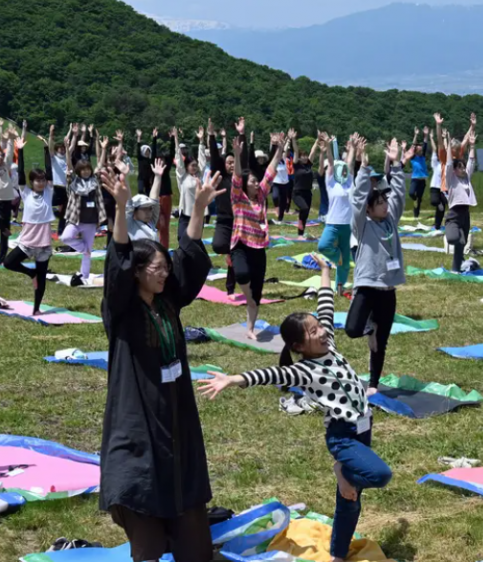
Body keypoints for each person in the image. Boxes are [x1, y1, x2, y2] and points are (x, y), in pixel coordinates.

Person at [197, 256, 392, 562]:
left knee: (350, 499)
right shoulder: (304, 370)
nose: (322, 332)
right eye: (314, 332)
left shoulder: (329, 344)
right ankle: (341, 470)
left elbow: (326, 306)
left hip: (363, 429)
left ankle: (338, 555)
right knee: (380, 474)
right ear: (299, 346)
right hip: (343, 437)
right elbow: (270, 375)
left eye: (319, 328)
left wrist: (326, 272)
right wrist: (234, 379)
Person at [98, 163, 221, 562]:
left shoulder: (168, 299)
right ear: (136, 274)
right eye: (156, 270)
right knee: (146, 545)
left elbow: (190, 262)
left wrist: (198, 211)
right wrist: (120, 210)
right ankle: (149, 532)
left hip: (176, 411)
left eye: (165, 269)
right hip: (138, 416)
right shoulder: (122, 310)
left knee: (197, 550)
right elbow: (116, 264)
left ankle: (180, 530)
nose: (164, 275)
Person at [345, 137, 408, 395]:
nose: (385, 204)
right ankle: (368, 327)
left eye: (384, 201)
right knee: (352, 329)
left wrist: (397, 164)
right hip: (367, 286)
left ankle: (373, 384)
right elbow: (357, 199)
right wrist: (363, 170)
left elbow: (399, 195)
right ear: (369, 210)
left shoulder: (390, 220)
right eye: (379, 202)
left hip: (388, 290)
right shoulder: (362, 226)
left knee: (381, 342)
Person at [231, 133, 281, 340]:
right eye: (252, 181)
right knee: (242, 275)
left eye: (255, 181)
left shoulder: (261, 195)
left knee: (258, 291)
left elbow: (270, 171)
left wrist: (280, 149)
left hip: (259, 247)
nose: (255, 183)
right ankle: (249, 298)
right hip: (241, 244)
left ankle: (250, 328)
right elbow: (236, 179)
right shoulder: (238, 197)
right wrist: (236, 154)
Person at [3, 135, 54, 315]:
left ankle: (37, 309)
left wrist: (47, 149)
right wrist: (21, 150)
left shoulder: (49, 191)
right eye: (37, 180)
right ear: (32, 182)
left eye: (42, 180)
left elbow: (49, 170)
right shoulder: (25, 192)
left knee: (42, 277)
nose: (40, 182)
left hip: (44, 244)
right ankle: (29, 273)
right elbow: (22, 172)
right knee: (8, 262)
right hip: (27, 241)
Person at [61, 130, 108, 285]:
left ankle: (85, 276)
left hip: (91, 221)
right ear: (79, 171)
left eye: (88, 169)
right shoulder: (74, 181)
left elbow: (100, 165)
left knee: (87, 253)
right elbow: (68, 166)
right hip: (76, 219)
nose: (86, 171)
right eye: (83, 169)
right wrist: (68, 150)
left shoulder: (94, 181)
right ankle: (84, 249)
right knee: (66, 237)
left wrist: (103, 148)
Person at [318, 132, 355, 295]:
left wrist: (353, 147)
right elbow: (332, 163)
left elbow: (350, 163)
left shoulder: (349, 184)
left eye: (345, 170)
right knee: (323, 246)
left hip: (347, 226)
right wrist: (327, 148)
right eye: (342, 170)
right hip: (332, 223)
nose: (344, 171)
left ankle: (340, 287)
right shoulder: (331, 182)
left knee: (345, 262)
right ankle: (337, 256)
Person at [209, 118, 239, 296]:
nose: (231, 164)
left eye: (234, 162)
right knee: (219, 246)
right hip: (223, 221)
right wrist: (211, 136)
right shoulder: (220, 177)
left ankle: (230, 288)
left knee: (234, 257)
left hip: (238, 222)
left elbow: (246, 159)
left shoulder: (239, 179)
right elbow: (214, 156)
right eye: (228, 162)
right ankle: (231, 253)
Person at [444, 127, 477, 272]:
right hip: (454, 214)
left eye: (463, 167)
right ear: (455, 170)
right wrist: (449, 146)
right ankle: (453, 234)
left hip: (465, 213)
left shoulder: (467, 178)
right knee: (453, 239)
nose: (463, 169)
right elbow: (449, 163)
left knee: (461, 246)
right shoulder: (452, 179)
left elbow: (471, 161)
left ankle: (455, 269)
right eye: (460, 167)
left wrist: (472, 145)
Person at [174, 127, 207, 242]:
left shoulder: (199, 175)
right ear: (187, 166)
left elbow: (202, 160)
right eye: (192, 165)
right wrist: (176, 140)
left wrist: (201, 141)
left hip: (197, 214)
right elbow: (179, 160)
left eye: (195, 165)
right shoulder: (182, 176)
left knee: (195, 241)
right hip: (185, 215)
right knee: (181, 238)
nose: (195, 167)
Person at [127, 159, 165, 242]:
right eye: (144, 209)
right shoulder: (129, 225)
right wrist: (125, 178)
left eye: (150, 209)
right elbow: (128, 204)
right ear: (134, 211)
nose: (148, 212)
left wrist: (158, 176)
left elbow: (154, 200)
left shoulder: (151, 222)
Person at [150, 128, 175, 249]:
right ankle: (155, 245)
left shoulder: (166, 169)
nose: (160, 162)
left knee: (165, 226)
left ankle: (163, 247)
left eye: (163, 160)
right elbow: (153, 154)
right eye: (158, 160)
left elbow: (171, 154)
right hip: (156, 198)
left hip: (166, 197)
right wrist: (154, 138)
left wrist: (173, 139)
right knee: (157, 224)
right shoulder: (153, 169)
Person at [290, 129, 318, 236]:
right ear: (299, 157)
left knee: (305, 214)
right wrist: (293, 139)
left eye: (306, 156)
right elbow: (296, 151)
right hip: (297, 193)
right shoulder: (297, 165)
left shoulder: (308, 165)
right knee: (304, 208)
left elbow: (313, 151)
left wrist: (317, 140)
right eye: (303, 156)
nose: (305, 157)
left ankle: (300, 233)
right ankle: (300, 226)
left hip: (308, 193)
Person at [49, 123, 71, 241]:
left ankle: (61, 232)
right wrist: (51, 134)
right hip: (55, 187)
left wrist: (72, 132)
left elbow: (69, 147)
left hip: (65, 188)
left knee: (65, 213)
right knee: (47, 208)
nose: (62, 150)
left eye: (63, 149)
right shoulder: (54, 158)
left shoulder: (66, 158)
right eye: (60, 148)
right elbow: (50, 146)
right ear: (57, 149)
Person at [408, 127, 429, 220]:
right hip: (415, 179)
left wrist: (426, 135)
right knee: (411, 193)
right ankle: (415, 199)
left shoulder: (423, 156)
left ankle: (416, 216)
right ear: (416, 151)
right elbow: (413, 146)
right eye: (419, 150)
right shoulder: (413, 157)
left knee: (419, 199)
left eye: (421, 150)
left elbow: (425, 144)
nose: (421, 151)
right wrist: (416, 134)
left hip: (422, 180)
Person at [0, 134, 15, 264]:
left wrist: (10, 139)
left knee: (5, 232)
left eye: (1, 156)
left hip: (6, 200)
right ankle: (3, 227)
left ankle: (2, 257)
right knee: (3, 227)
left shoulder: (6, 166)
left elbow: (9, 152)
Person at [271, 133, 290, 222]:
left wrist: (287, 139)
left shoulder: (284, 158)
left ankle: (280, 218)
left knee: (283, 201)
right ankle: (276, 208)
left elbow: (285, 148)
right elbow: (272, 149)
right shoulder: (274, 159)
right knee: (275, 196)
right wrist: (274, 141)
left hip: (285, 183)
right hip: (276, 182)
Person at [135, 129, 154, 196]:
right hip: (141, 178)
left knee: (148, 193)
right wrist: (139, 137)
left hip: (148, 180)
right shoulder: (141, 158)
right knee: (140, 191)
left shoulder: (150, 160)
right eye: (146, 151)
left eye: (148, 152)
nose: (147, 153)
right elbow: (138, 148)